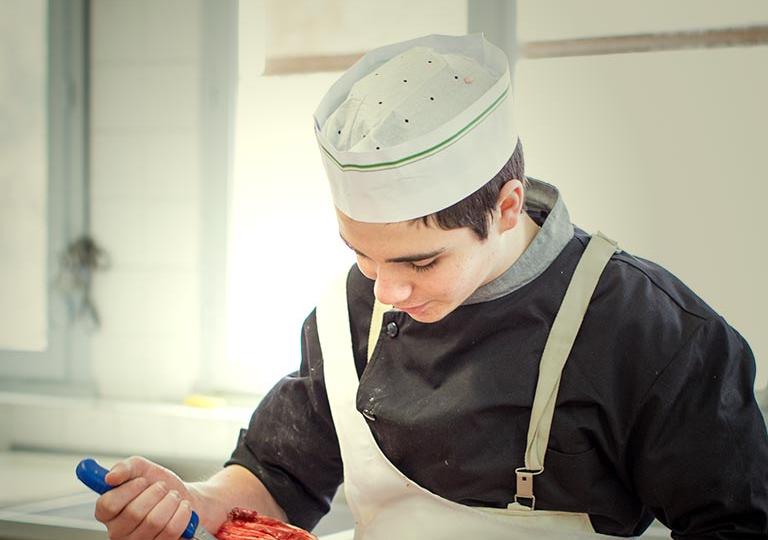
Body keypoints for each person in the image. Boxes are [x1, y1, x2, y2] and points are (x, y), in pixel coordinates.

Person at [94, 34, 768, 539]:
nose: (388, 289)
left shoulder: (655, 333)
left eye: (420, 263)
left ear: (506, 208)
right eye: (362, 253)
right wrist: (196, 500)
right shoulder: (347, 313)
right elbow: (276, 477)